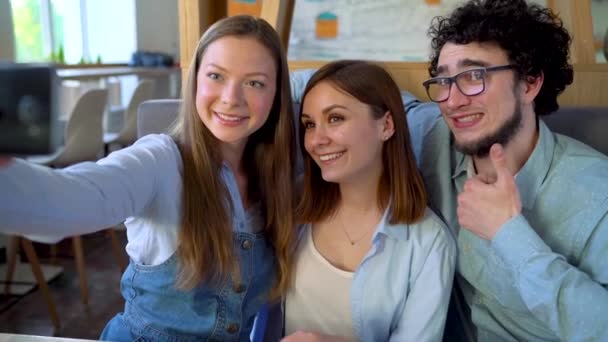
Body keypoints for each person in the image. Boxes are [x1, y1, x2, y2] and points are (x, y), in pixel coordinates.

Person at [0, 15, 297, 341]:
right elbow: (68, 199)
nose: (230, 98)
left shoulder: (278, 178)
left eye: (254, 82)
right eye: (216, 75)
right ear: (195, 79)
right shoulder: (160, 161)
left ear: (277, 93)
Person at [403, 0, 608, 340]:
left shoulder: (597, 194)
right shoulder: (431, 139)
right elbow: (360, 96)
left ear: (529, 84)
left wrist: (508, 234)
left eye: (474, 76)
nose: (452, 102)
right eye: (444, 81)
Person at [273, 60, 456, 342]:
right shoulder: (291, 208)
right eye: (309, 124)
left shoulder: (429, 243)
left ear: (386, 125)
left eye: (335, 118)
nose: (316, 140)